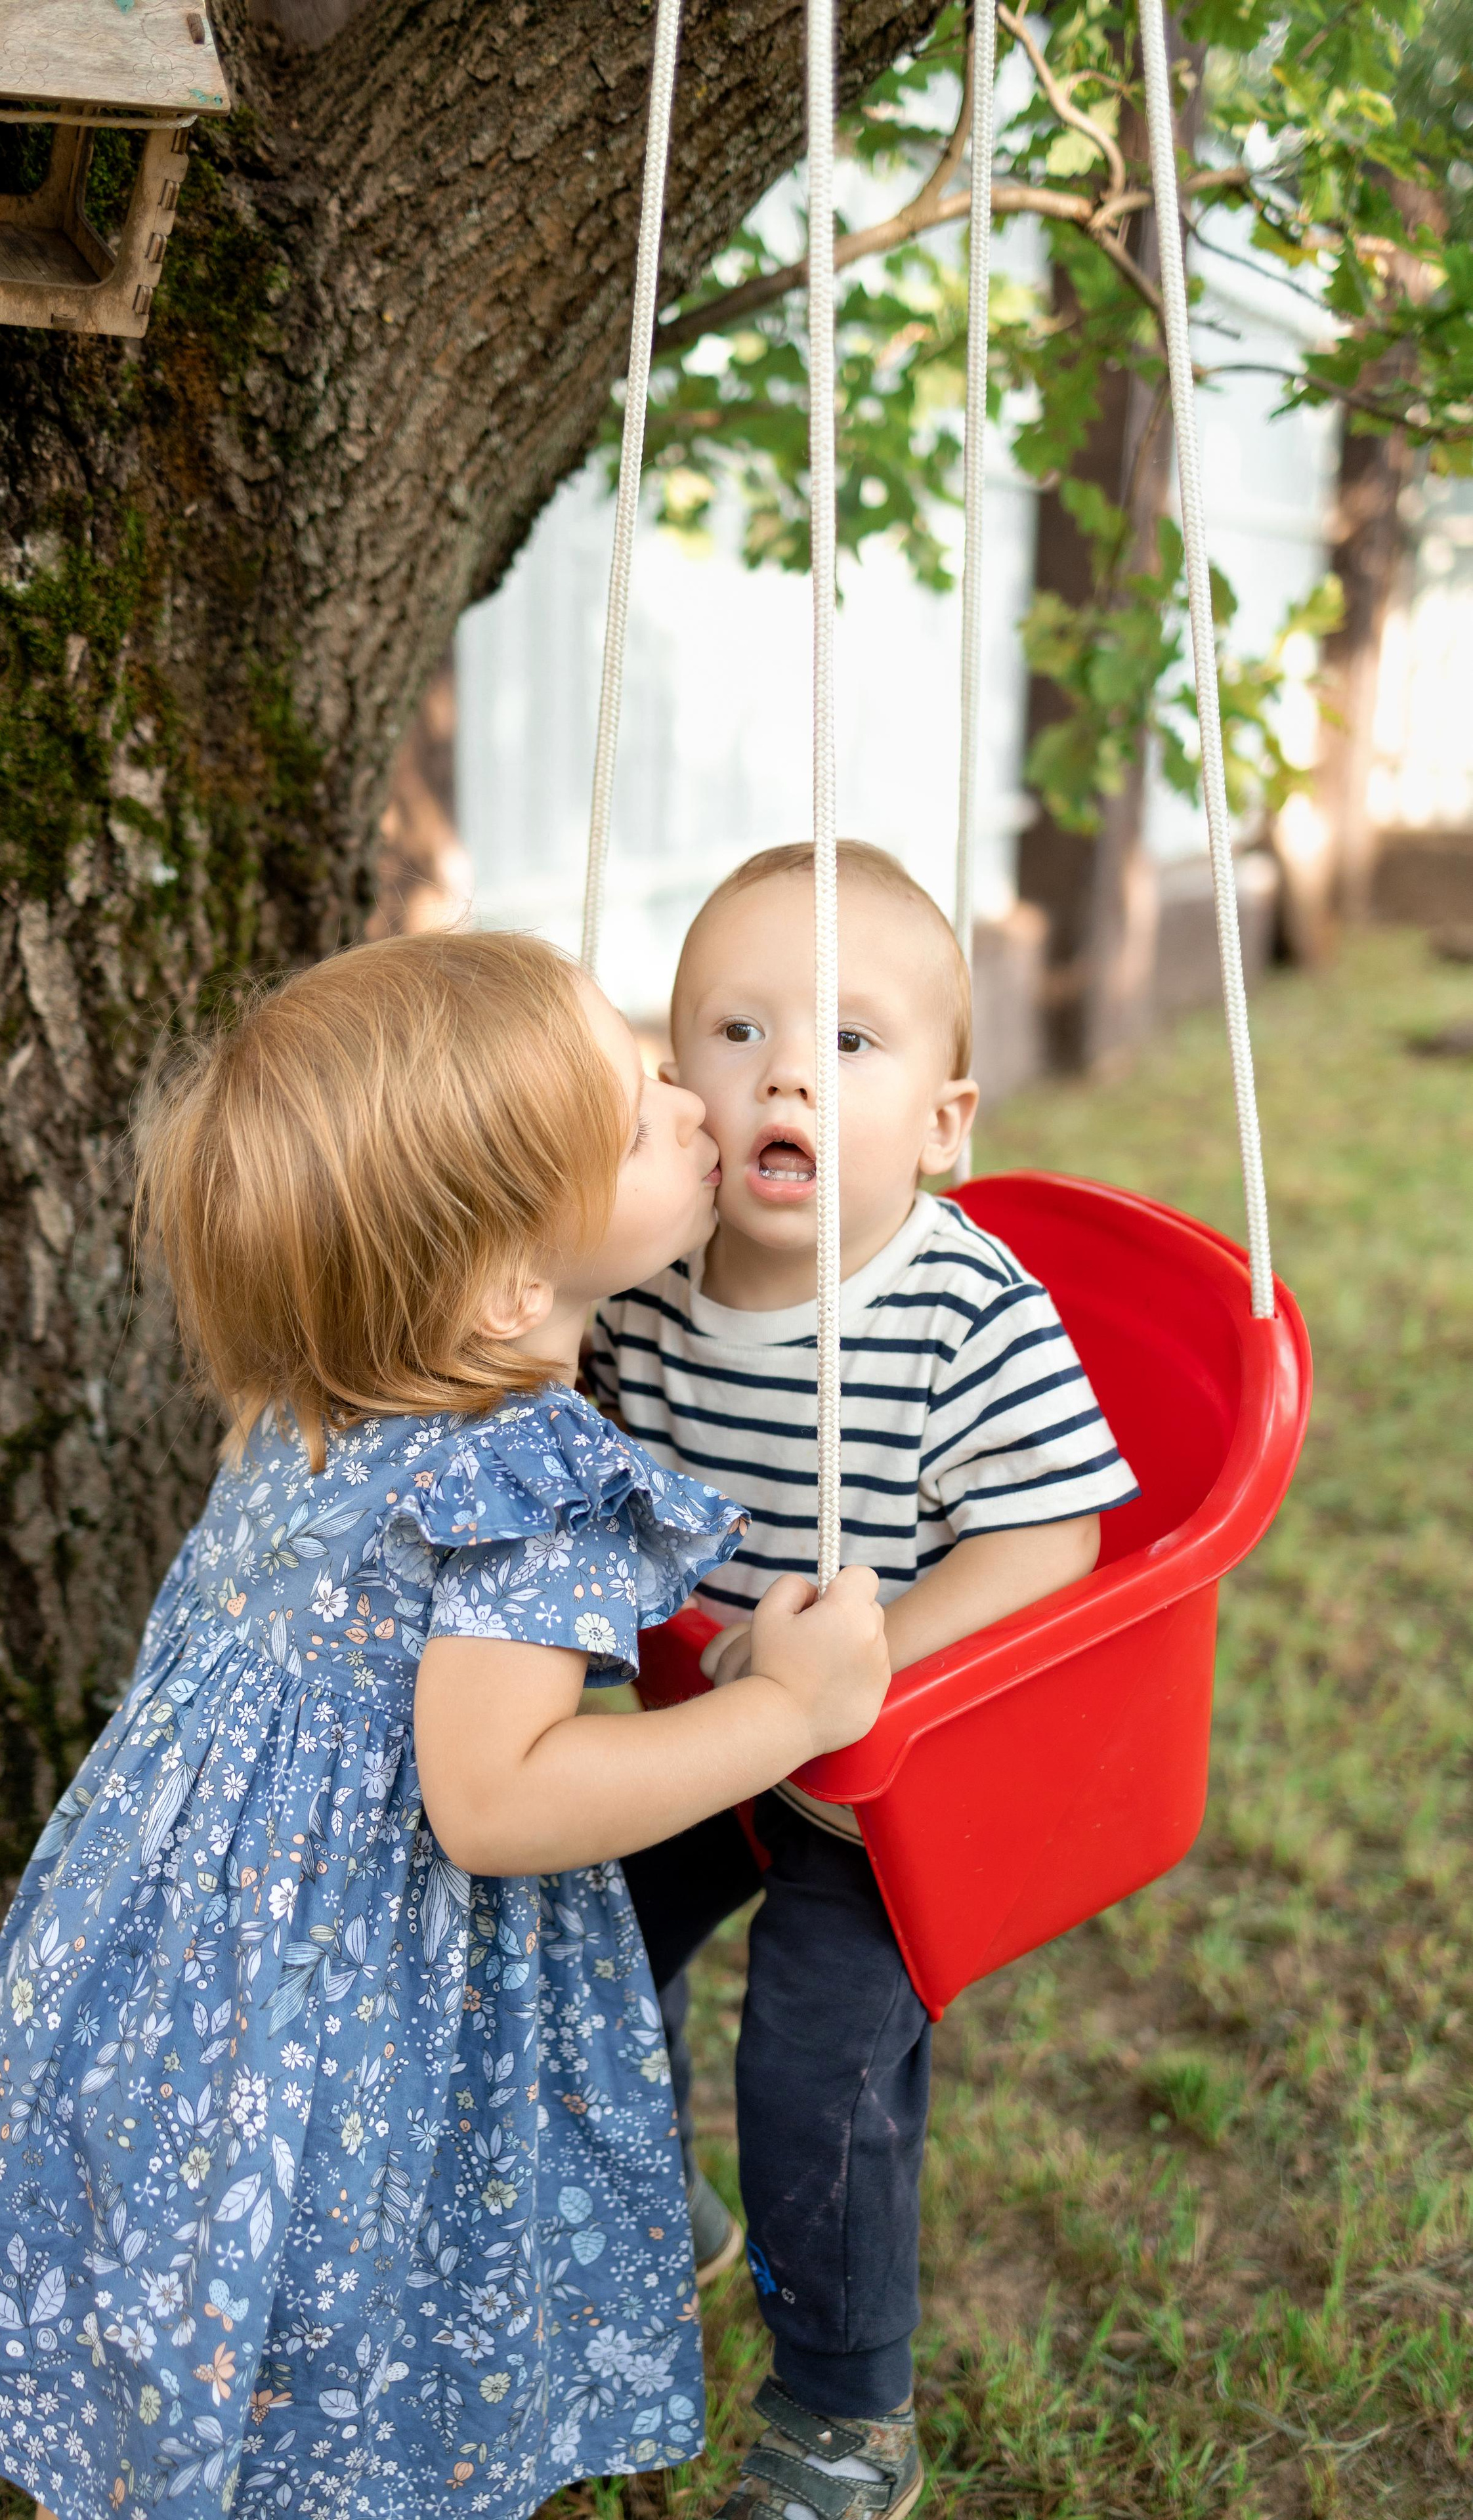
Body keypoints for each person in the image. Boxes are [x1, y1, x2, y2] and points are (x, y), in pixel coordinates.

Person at [0, 929, 894, 2520]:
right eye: (637, 1114)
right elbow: (499, 1800)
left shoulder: (305, 1395)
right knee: (369, 2281)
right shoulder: (521, 1482)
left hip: (179, 1974)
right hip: (362, 1990)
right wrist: (782, 1709)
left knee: (227, 2263)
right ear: (499, 1285)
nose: (696, 1102)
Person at [589, 843, 1140, 2520]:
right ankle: (638, 2193)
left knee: (815, 2071)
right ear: (676, 1087)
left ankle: (843, 2411)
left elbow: (1050, 1546)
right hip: (713, 1739)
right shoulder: (649, 1293)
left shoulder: (963, 1308)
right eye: (736, 1032)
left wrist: (859, 1666)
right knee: (581, 1930)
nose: (783, 1074)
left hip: (890, 1789)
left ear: (946, 1123)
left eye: (848, 1042)